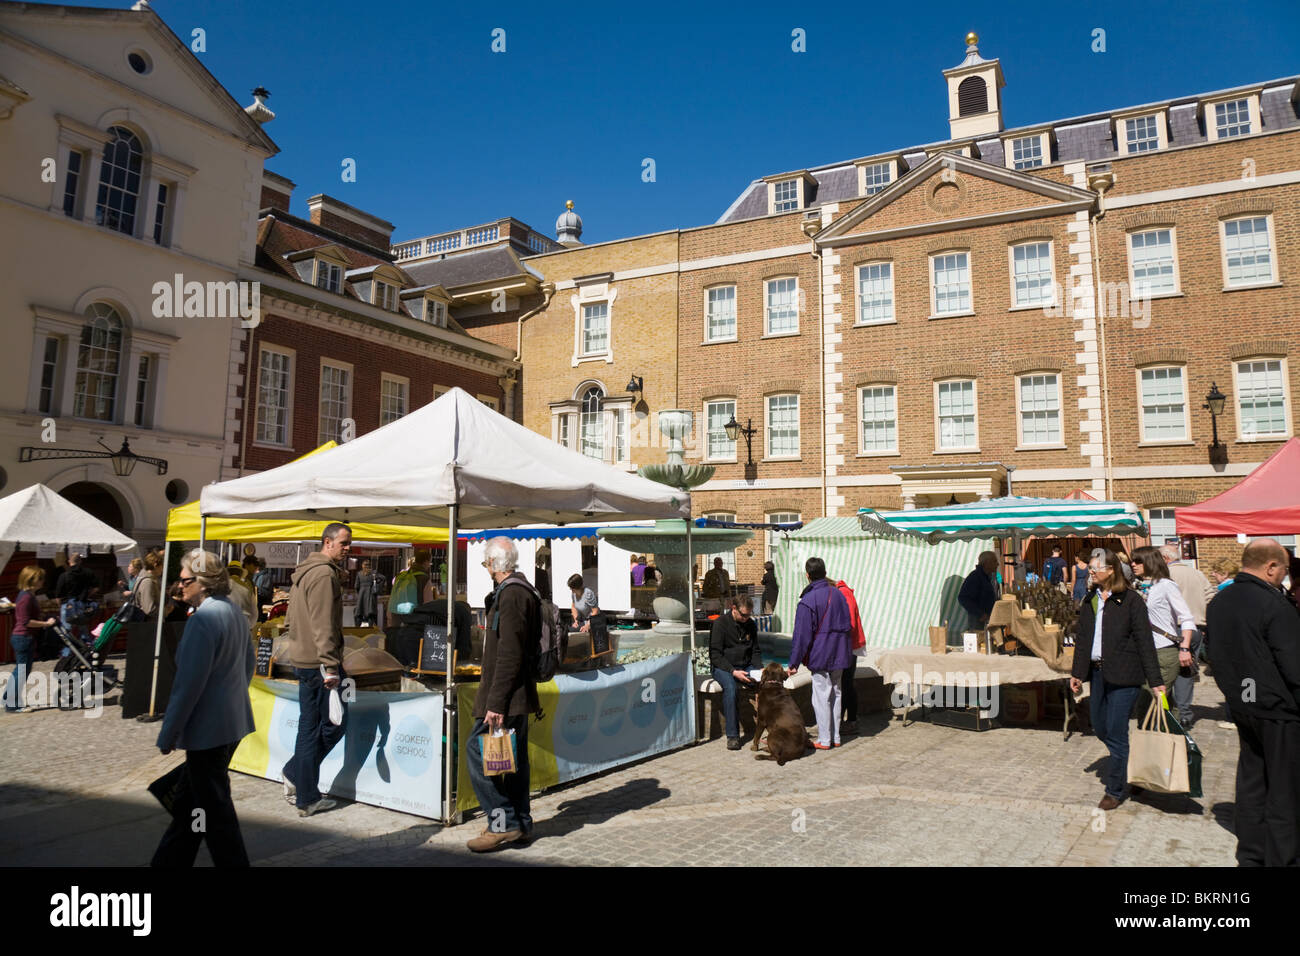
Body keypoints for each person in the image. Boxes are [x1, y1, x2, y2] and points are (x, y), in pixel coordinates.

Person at [151, 550, 255, 867]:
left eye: (185, 580)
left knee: (215, 812)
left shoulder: (204, 620)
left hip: (209, 731)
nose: (180, 587)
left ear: (203, 583)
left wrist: (168, 733)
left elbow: (188, 685)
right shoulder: (234, 613)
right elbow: (247, 667)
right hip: (230, 724)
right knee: (192, 807)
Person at [1206, 539, 1300, 866]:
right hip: (1278, 711)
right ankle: (1281, 859)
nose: (1285, 578)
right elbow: (1294, 666)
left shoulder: (1220, 601)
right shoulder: (1273, 605)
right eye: (1284, 570)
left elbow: (1216, 656)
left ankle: (1251, 854)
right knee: (1284, 791)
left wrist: (1240, 696)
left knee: (1253, 781)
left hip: (1245, 703)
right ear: (1270, 567)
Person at [1069, 550, 1165, 811]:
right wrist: (1077, 673)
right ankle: (1131, 767)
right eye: (1089, 567)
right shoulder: (1090, 599)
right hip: (1098, 674)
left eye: (1095, 567)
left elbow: (1145, 642)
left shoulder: (1131, 600)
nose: (1090, 571)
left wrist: (1155, 681)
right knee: (1100, 727)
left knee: (1116, 729)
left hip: (1125, 675)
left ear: (1111, 569)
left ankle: (1115, 789)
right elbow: (1083, 640)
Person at [465, 537, 541, 852]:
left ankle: (503, 823)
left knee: (477, 751)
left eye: (486, 563)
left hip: (506, 696)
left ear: (494, 564)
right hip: (515, 694)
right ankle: (520, 823)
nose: (486, 569)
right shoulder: (520, 591)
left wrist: (495, 704)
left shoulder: (512, 595)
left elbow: (510, 654)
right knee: (510, 762)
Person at [281, 522, 352, 817]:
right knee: (336, 723)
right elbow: (323, 623)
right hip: (319, 664)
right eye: (344, 543)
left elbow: (289, 620)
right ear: (328, 542)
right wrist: (330, 665)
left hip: (305, 660)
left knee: (309, 727)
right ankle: (301, 781)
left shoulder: (306, 571)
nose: (348, 549)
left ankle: (302, 784)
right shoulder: (323, 574)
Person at [789, 557, 852, 750]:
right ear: (824, 572)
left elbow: (801, 636)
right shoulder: (839, 594)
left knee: (821, 697)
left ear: (807, 575)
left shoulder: (808, 601)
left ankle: (825, 740)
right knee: (837, 694)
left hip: (821, 654)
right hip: (840, 652)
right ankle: (836, 737)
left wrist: (793, 663)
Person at [1130, 546, 1198, 724]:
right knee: (1165, 701)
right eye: (1132, 560)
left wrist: (1184, 648)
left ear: (1149, 562)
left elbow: (1187, 618)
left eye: (1138, 561)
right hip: (1144, 651)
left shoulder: (1166, 585)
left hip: (1164, 650)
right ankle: (1176, 740)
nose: (1133, 564)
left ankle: (1152, 739)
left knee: (1150, 700)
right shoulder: (1138, 586)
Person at [709, 594, 761, 750]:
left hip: (745, 666)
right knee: (731, 688)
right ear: (734, 608)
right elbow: (715, 655)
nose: (746, 618)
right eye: (744, 614)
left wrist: (759, 668)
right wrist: (733, 671)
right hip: (723, 667)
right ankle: (732, 736)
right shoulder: (720, 624)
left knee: (767, 682)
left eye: (749, 615)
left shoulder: (750, 624)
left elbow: (755, 651)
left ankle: (769, 727)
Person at [6, 566, 56, 713]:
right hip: (23, 637)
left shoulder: (27, 595)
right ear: (32, 579)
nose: (42, 581)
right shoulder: (26, 597)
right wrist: (46, 624)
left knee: (21, 671)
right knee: (21, 672)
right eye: (40, 578)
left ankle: (9, 699)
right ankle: (12, 704)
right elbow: (26, 622)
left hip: (25, 637)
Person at [835, 576, 866, 735]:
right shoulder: (843, 592)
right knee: (846, 682)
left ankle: (852, 721)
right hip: (849, 644)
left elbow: (850, 622)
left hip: (850, 644)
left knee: (846, 683)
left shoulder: (844, 593)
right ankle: (847, 720)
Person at [958, 551, 1000, 631]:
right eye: (995, 561)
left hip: (986, 620)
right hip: (978, 622)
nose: (997, 564)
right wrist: (980, 614)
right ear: (987, 563)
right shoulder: (975, 577)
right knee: (979, 642)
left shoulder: (986, 577)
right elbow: (963, 598)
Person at [225, 561, 257, 634]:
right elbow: (254, 613)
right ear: (240, 574)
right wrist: (249, 627)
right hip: (242, 628)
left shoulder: (220, 586)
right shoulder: (247, 588)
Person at [133, 550, 164, 622]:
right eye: (162, 566)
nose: (162, 569)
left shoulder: (143, 578)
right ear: (155, 565)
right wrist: (165, 611)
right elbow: (149, 609)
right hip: (149, 626)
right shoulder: (147, 581)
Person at [354, 558, 382, 628]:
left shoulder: (359, 573)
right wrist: (377, 585)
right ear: (370, 565)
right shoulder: (373, 573)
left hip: (362, 594)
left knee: (359, 612)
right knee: (371, 612)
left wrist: (359, 592)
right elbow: (383, 578)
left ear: (362, 565)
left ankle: (357, 629)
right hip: (370, 594)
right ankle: (370, 628)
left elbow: (356, 586)